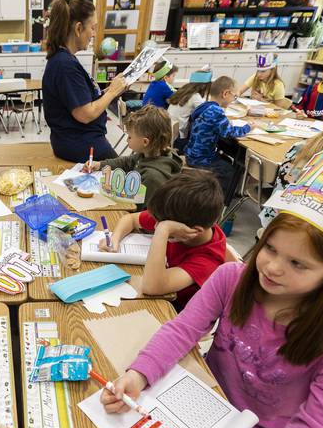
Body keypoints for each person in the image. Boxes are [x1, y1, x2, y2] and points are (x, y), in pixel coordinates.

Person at [99, 213, 323, 428]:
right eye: (270, 248)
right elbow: (182, 330)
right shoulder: (232, 277)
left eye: (298, 263)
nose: (273, 267)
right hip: (205, 403)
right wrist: (139, 373)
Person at [100, 170, 226, 309]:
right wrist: (115, 238)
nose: (155, 226)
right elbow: (130, 219)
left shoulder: (208, 260)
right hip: (152, 291)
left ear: (195, 231)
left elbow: (152, 287)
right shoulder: (178, 213)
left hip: (173, 310)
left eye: (161, 225)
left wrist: (163, 231)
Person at [43, 0, 127, 162]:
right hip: (81, 144)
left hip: (81, 140)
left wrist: (112, 90)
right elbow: (85, 113)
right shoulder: (64, 65)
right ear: (79, 28)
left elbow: (81, 97)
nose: (94, 34)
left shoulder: (65, 59)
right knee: (123, 178)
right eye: (93, 28)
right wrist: (111, 92)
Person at [85, 105, 182, 209]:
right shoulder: (148, 153)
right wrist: (100, 164)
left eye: (130, 137)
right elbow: (127, 161)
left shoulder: (152, 178)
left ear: (145, 142)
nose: (127, 140)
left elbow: (139, 211)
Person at [183, 76, 252, 199]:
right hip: (200, 159)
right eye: (234, 97)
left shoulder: (206, 106)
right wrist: (248, 127)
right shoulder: (216, 111)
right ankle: (219, 203)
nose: (233, 100)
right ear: (225, 93)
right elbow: (229, 132)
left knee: (227, 161)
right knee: (229, 171)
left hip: (192, 153)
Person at [168, 67, 212, 149]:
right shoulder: (195, 96)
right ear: (205, 86)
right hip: (178, 138)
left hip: (169, 132)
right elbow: (208, 112)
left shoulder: (184, 90)